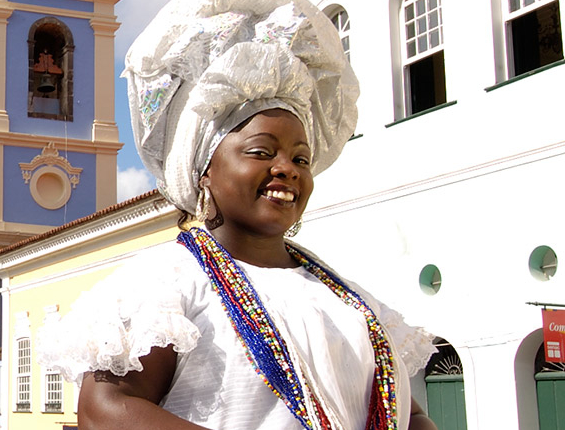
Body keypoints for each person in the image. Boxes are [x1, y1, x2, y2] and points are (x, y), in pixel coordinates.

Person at [36, 1, 439, 429]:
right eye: (261, 152)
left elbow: (407, 411)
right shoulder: (169, 285)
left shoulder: (348, 300)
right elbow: (105, 410)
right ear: (205, 169)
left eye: (301, 159)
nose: (286, 168)